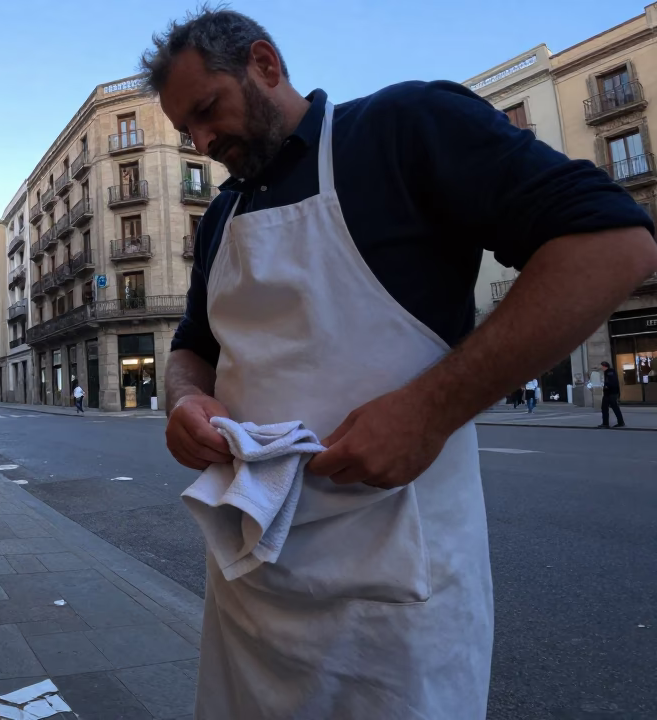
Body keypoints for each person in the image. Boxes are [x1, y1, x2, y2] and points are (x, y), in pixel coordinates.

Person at [148, 8, 657, 719]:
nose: (202, 141)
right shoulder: (223, 218)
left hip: (390, 610)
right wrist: (182, 399)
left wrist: (430, 410)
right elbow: (193, 344)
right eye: (186, 132)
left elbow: (614, 244)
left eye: (207, 110)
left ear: (264, 64)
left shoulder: (401, 128)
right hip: (248, 596)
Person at [599, 361, 625, 428]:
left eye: (601, 366)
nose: (601, 367)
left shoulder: (610, 372)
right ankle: (607, 423)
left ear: (605, 366)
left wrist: (606, 386)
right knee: (606, 407)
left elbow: (612, 382)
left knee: (613, 407)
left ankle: (617, 422)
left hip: (611, 393)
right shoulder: (608, 372)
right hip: (609, 393)